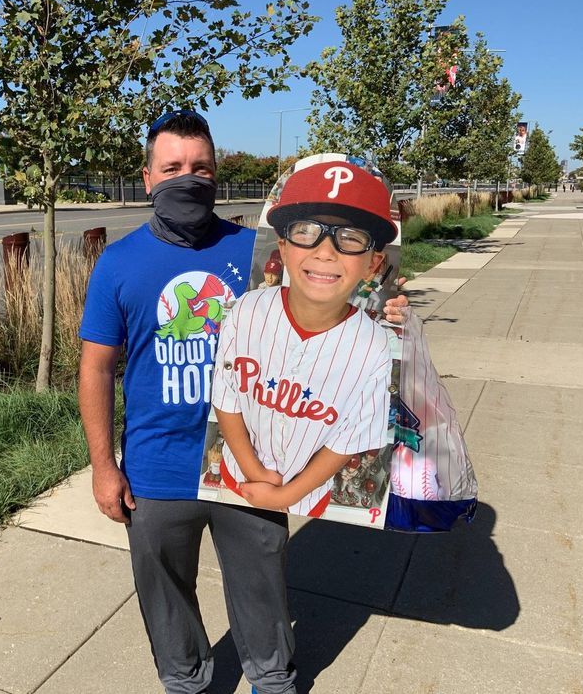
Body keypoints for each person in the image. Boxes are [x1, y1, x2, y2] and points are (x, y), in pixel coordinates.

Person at [78, 110, 409, 694]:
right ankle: (185, 682)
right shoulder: (119, 263)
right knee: (165, 596)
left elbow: (330, 305)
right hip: (155, 469)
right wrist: (104, 467)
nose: (188, 178)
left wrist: (381, 308)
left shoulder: (260, 257)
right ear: (148, 178)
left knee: (261, 592)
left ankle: (272, 681)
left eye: (201, 167)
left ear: (216, 174)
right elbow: (96, 367)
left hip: (251, 463)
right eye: (172, 168)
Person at [211, 161, 395, 519]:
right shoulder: (247, 310)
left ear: (373, 263)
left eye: (351, 236)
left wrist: (286, 495)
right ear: (282, 247)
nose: (325, 251)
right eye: (306, 231)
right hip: (239, 477)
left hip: (306, 494)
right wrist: (254, 471)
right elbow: (227, 396)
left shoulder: (373, 346)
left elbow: (349, 438)